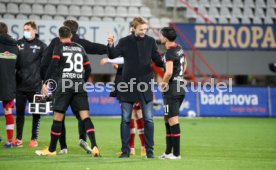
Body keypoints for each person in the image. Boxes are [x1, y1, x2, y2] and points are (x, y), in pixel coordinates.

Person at [40, 20, 107, 154]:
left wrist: (46, 82)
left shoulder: (58, 45)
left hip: (63, 84)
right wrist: (82, 80)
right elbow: (89, 65)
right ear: (72, 34)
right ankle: (93, 145)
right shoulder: (80, 46)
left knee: (59, 116)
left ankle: (57, 148)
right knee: (84, 116)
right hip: (78, 84)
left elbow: (48, 64)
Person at [107, 17, 164, 158]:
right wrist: (110, 44)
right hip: (127, 85)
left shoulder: (150, 41)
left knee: (149, 119)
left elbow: (156, 59)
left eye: (145, 29)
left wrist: (166, 62)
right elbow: (113, 55)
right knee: (126, 119)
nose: (144, 32)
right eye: (141, 29)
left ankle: (149, 152)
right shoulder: (125, 41)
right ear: (134, 28)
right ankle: (125, 151)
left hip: (145, 84)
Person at [100, 58, 146, 156]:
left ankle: (135, 147)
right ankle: (140, 147)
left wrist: (113, 62)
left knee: (132, 117)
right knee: (137, 117)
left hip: (129, 88)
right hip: (133, 87)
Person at [12, 21, 47, 148]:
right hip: (20, 85)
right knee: (19, 114)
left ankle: (34, 139)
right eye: (24, 29)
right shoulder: (17, 44)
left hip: (35, 86)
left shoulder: (42, 46)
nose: (25, 31)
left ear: (35, 31)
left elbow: (46, 66)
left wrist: (45, 83)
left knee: (36, 114)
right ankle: (18, 139)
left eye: (28, 29)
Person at [158, 27, 187, 160]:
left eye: (161, 35)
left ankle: (176, 154)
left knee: (173, 119)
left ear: (165, 37)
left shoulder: (169, 53)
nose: (160, 37)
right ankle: (168, 152)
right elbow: (184, 63)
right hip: (180, 86)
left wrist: (163, 83)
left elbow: (168, 72)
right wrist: (180, 75)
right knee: (167, 118)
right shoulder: (179, 48)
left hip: (172, 88)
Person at [0, 22, 18, 148]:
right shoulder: (15, 46)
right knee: (8, 112)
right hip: (9, 83)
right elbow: (20, 65)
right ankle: (10, 141)